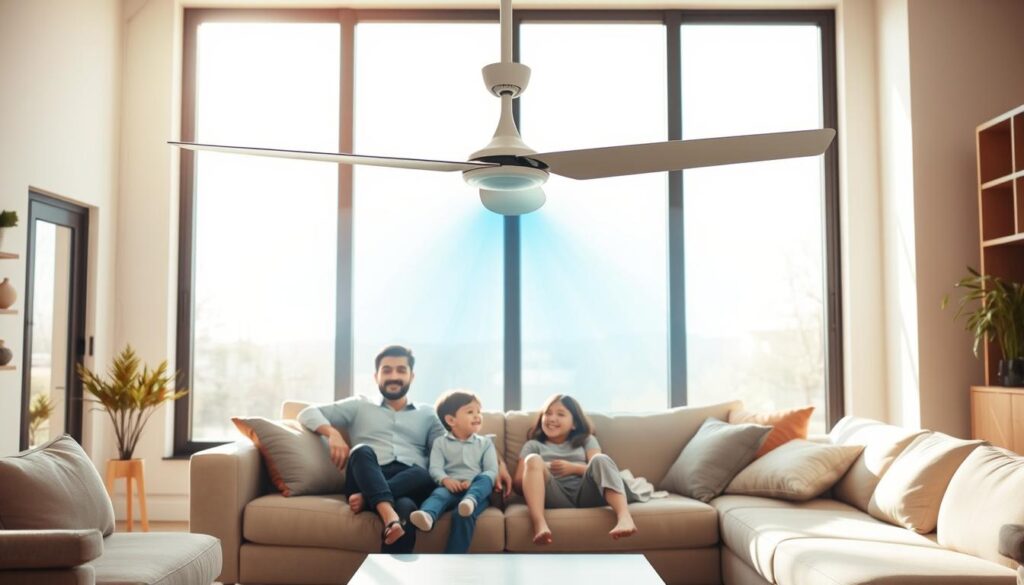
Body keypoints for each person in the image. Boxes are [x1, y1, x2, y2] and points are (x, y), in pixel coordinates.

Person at [298, 345, 511, 553]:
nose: (394, 376)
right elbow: (307, 413)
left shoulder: (428, 414)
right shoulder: (359, 405)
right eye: (387, 370)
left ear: (411, 376)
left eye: (401, 370)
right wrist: (332, 433)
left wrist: (498, 463)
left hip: (410, 481)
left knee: (410, 501)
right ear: (376, 376)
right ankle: (387, 513)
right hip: (368, 474)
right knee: (362, 451)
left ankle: (372, 502)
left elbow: (455, 441)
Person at [512, 393, 639, 546]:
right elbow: (518, 483)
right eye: (548, 413)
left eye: (560, 414)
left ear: (574, 424)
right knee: (532, 459)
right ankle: (540, 525)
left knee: (601, 459)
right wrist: (539, 469)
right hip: (554, 495)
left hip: (586, 493)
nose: (552, 418)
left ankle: (625, 518)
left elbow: (598, 469)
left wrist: (573, 468)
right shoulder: (533, 445)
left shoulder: (587, 440)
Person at [409, 389, 498, 553]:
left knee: (466, 509)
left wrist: (473, 485)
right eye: (470, 412)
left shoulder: (485, 443)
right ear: (451, 420)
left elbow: (492, 471)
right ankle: (428, 515)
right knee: (438, 495)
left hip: (476, 491)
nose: (477, 415)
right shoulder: (440, 443)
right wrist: (445, 480)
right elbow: (435, 468)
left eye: (479, 412)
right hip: (450, 487)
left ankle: (469, 502)